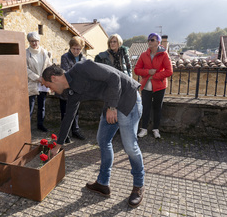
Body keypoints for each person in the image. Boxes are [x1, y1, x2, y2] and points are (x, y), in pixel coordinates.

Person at [41, 60, 145, 208]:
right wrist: (58, 144)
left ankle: (138, 186)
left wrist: (112, 106)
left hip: (128, 100)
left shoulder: (82, 68)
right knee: (103, 140)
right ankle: (103, 183)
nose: (50, 90)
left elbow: (114, 77)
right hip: (112, 103)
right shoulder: (71, 91)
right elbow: (68, 117)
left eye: (48, 86)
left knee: (129, 146)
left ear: (54, 78)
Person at [134, 33, 173, 139]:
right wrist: (148, 72)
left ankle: (156, 129)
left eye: (152, 40)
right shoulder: (143, 55)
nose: (149, 42)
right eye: (149, 40)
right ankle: (144, 129)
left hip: (160, 86)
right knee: (145, 108)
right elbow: (136, 70)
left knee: (157, 108)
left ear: (158, 42)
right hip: (146, 86)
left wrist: (155, 76)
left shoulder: (164, 55)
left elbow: (169, 71)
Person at [60, 36, 87, 142]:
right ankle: (65, 134)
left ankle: (75, 130)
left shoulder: (84, 59)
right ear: (70, 47)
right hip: (66, 90)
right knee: (66, 113)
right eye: (74, 48)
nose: (76, 51)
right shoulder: (65, 57)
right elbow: (67, 72)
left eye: (78, 49)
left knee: (76, 112)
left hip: (77, 90)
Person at [26, 31, 52, 132]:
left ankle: (40, 124)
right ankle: (27, 127)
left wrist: (46, 78)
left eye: (36, 41)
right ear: (29, 42)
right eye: (32, 41)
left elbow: (49, 66)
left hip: (43, 83)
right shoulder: (26, 54)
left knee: (42, 105)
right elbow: (25, 69)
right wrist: (37, 78)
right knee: (30, 106)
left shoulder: (44, 52)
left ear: (39, 41)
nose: (34, 43)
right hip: (32, 82)